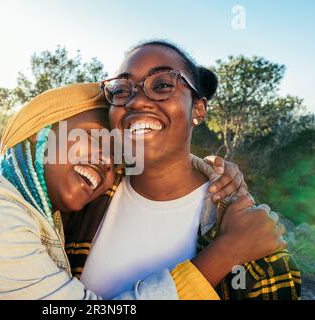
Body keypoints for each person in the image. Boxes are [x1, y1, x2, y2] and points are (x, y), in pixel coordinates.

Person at [0, 83, 282, 300]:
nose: (106, 164)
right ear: (41, 137)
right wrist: (227, 253)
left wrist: (218, 178)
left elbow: (163, 167)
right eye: (94, 138)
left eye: (117, 156)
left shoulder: (41, 210)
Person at [63, 41, 301, 300]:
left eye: (163, 85)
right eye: (122, 90)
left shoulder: (254, 244)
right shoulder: (83, 198)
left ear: (198, 109)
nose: (137, 101)